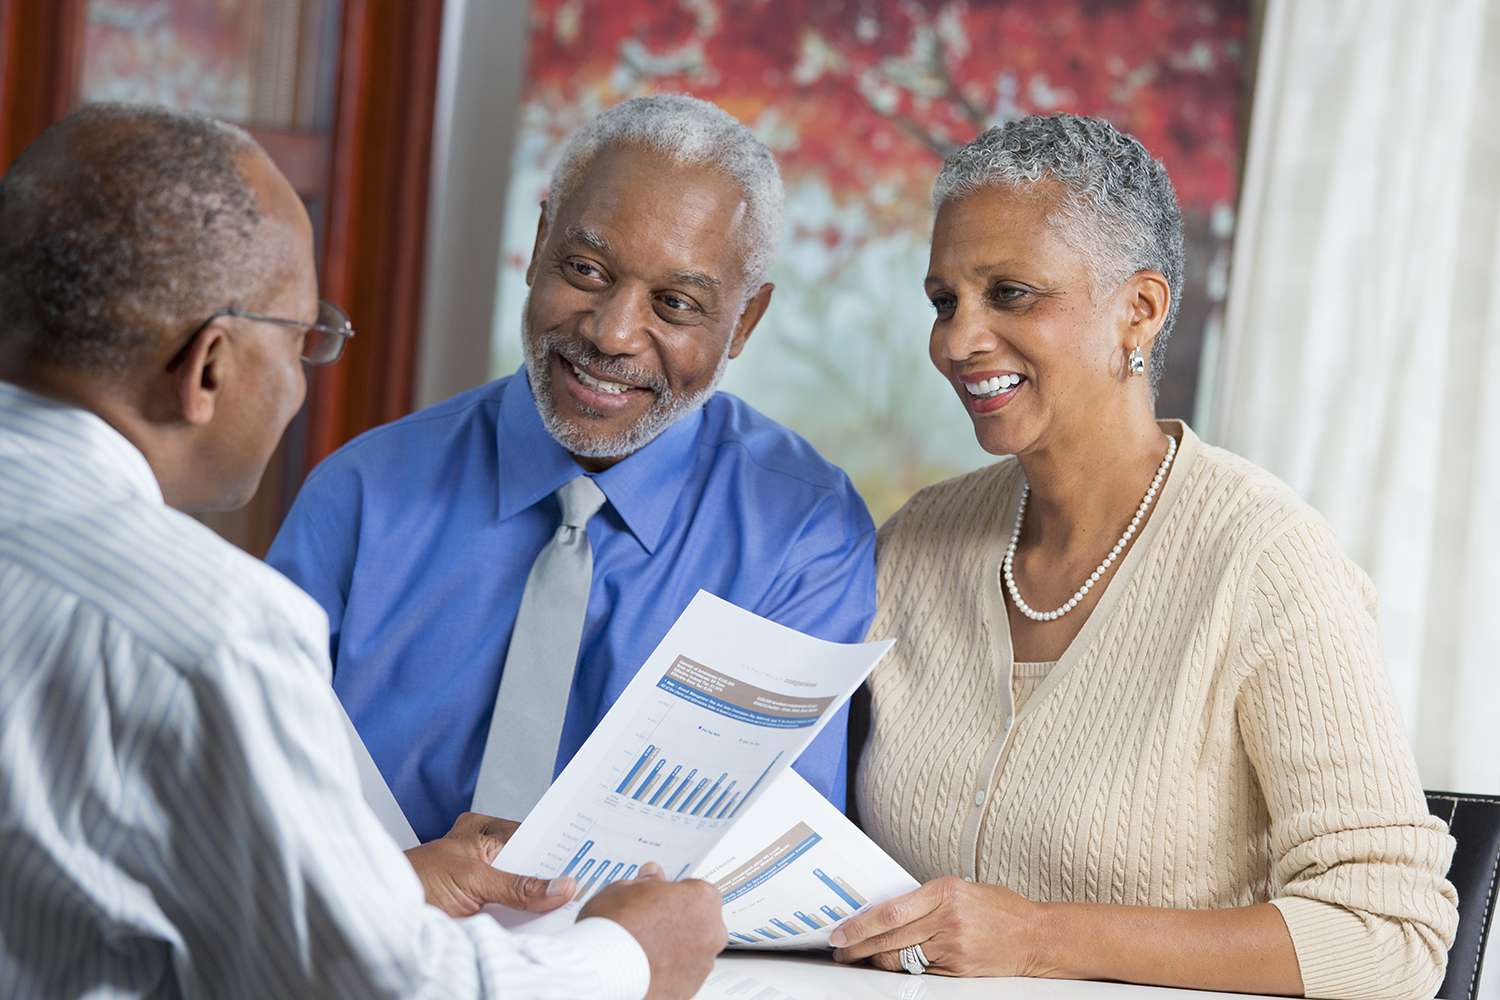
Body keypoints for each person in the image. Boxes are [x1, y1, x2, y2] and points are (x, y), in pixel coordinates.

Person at [0, 102, 724, 1000]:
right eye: (304, 338)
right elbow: (382, 991)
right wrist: (630, 956)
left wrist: (376, 887)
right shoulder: (210, 633)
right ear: (210, 366)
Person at [838, 115, 1458, 1000]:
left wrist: (1042, 938)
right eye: (945, 301)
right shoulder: (916, 546)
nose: (956, 340)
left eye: (1010, 293)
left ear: (1140, 308)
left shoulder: (1266, 558)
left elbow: (1390, 935)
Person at [266, 94, 876, 844]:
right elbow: (241, 796)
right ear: (539, 239)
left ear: (743, 323)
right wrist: (393, 894)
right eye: (586, 269)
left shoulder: (803, 535)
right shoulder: (360, 494)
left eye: (676, 304)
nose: (613, 333)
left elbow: (771, 855)